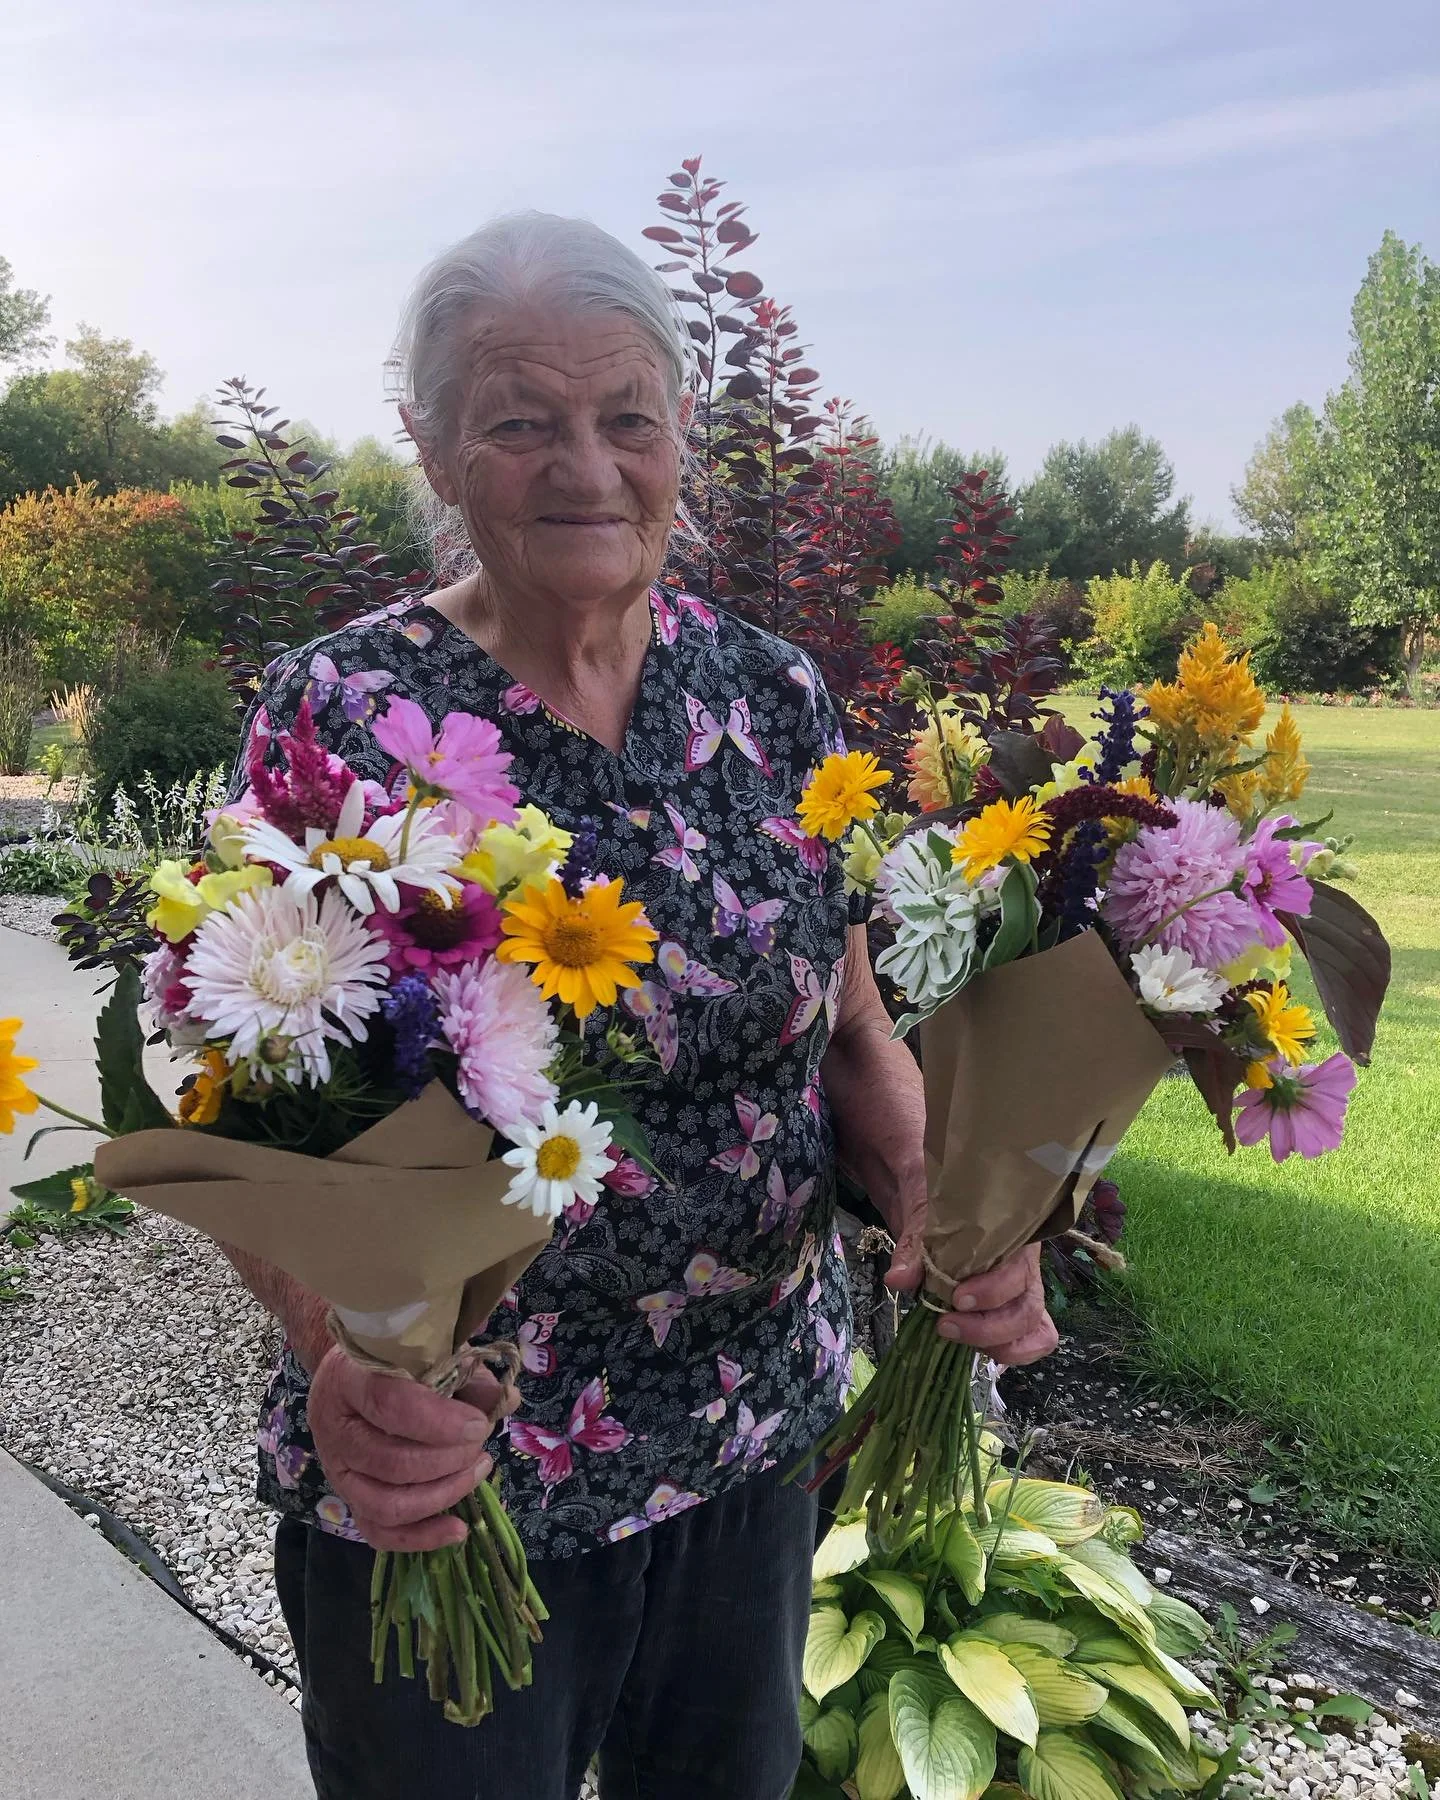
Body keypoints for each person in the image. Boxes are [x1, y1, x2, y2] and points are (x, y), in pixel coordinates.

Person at [225, 212, 1058, 1800]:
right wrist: (340, 1352)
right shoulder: (343, 720)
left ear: (685, 432)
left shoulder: (774, 693)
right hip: (457, 1466)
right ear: (433, 445)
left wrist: (964, 1226)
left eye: (627, 417)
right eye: (520, 420)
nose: (584, 467)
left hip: (752, 1432)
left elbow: (853, 1028)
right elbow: (245, 1100)